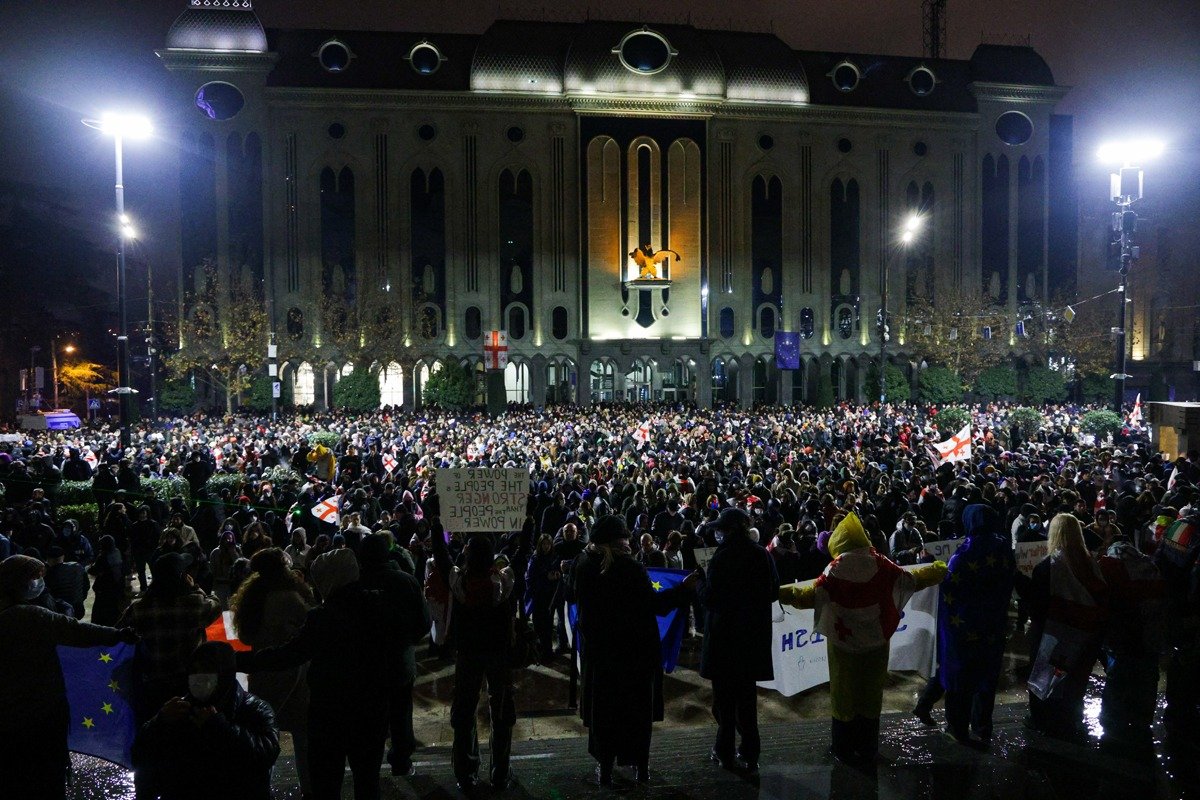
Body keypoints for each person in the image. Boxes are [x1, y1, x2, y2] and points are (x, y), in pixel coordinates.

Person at [237, 548, 409, 800]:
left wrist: (239, 661)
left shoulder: (323, 618)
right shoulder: (380, 607)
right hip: (371, 710)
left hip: (329, 714)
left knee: (326, 785)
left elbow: (289, 654)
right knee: (367, 782)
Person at [779, 512, 946, 765]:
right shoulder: (880, 562)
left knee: (844, 694)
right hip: (877, 642)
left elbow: (809, 596)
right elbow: (910, 579)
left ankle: (843, 748)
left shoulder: (834, 569)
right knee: (870, 693)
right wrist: (935, 571)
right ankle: (867, 746)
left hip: (842, 645)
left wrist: (782, 593)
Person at [568, 514, 698, 786]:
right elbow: (655, 605)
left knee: (604, 712)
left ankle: (604, 769)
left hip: (601, 655)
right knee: (636, 713)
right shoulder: (630, 568)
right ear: (618, 541)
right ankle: (641, 767)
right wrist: (684, 590)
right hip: (635, 654)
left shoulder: (582, 565)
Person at [0, 554, 138, 800]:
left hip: (9, 718)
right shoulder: (32, 616)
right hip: (43, 711)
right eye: (32, 580)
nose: (37, 584)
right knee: (47, 774)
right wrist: (119, 635)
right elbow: (79, 631)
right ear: (18, 584)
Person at [431, 524, 518, 794]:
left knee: (465, 712)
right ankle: (500, 773)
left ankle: (466, 772)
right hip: (498, 654)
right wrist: (528, 524)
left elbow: (442, 557)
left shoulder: (460, 582)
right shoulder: (502, 582)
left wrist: (437, 524)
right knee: (501, 713)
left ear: (468, 555)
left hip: (468, 654)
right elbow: (523, 557)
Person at [131, 641, 280, 800]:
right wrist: (159, 722)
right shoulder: (179, 709)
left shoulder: (254, 708)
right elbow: (140, 757)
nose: (199, 676)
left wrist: (221, 727)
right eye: (194, 670)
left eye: (208, 669)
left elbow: (265, 755)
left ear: (225, 672)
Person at [697, 508, 779, 773]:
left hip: (724, 640)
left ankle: (724, 751)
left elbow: (711, 599)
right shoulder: (761, 555)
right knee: (746, 699)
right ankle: (750, 752)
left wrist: (699, 584)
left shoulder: (721, 558)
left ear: (730, 529)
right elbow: (773, 592)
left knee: (724, 700)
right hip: (750, 640)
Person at [230, 548, 316, 798]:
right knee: (303, 738)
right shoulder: (292, 596)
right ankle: (309, 790)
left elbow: (245, 636)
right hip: (296, 673)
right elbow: (310, 626)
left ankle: (261, 789)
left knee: (265, 736)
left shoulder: (252, 597)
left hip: (263, 672)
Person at [936, 504, 1015, 747]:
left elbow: (949, 589)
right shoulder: (1004, 548)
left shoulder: (964, 554)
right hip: (993, 625)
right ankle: (982, 727)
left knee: (961, 678)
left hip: (964, 629)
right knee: (987, 675)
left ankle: (957, 728)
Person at [1025, 513, 1108, 739]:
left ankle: (1045, 725)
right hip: (1085, 636)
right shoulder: (1091, 563)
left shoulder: (1048, 567)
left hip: (1053, 636)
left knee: (1046, 684)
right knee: (1075, 685)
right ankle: (1071, 722)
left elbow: (1037, 608)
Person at [118, 552, 223, 725]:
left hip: (154, 681)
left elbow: (119, 633)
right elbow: (216, 604)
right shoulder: (194, 604)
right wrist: (195, 587)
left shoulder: (139, 608)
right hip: (189, 682)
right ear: (182, 576)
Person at [357, 532, 431, 779]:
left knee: (369, 715)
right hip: (400, 660)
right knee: (401, 713)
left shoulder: (355, 584)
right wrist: (406, 641)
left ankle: (369, 767)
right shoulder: (406, 581)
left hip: (365, 664)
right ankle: (401, 761)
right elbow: (424, 621)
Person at [1098, 538, 1166, 751]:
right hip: (1150, 635)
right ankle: (1142, 722)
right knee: (1146, 681)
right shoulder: (1148, 565)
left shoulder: (1110, 566)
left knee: (1117, 680)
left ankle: (1111, 724)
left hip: (1123, 636)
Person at [1153, 515, 1200, 733]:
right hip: (1189, 609)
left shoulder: (1180, 525)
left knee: (1179, 658)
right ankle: (1182, 719)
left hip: (1167, 600)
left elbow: (1159, 558)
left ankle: (1174, 712)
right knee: (1189, 662)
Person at [524, 533, 561, 662]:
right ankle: (538, 651)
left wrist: (556, 575)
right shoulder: (535, 559)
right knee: (539, 624)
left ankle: (547, 651)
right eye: (544, 544)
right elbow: (530, 579)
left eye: (548, 544)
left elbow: (558, 573)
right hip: (538, 597)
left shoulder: (555, 558)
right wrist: (546, 576)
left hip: (550, 597)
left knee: (548, 625)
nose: (546, 547)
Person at [89, 534, 129, 626]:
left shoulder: (103, 557)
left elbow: (94, 571)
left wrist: (89, 567)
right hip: (117, 587)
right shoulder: (117, 552)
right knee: (114, 610)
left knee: (100, 613)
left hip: (104, 589)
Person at [44, 545, 90, 619]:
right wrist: (79, 600)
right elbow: (86, 586)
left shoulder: (47, 574)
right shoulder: (77, 567)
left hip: (58, 612)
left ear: (48, 559)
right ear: (63, 557)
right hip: (78, 609)